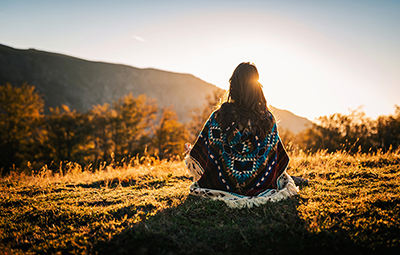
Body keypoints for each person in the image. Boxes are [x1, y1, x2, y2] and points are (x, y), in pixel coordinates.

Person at [184, 62, 298, 208]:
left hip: (222, 187)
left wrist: (191, 152)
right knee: (284, 179)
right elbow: (275, 159)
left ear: (234, 86)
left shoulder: (219, 117)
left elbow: (201, 155)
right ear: (257, 87)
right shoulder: (267, 119)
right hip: (262, 186)